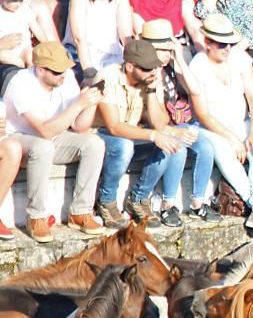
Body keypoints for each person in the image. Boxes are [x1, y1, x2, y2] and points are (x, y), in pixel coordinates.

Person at [5, 42, 104, 243]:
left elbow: (79, 126)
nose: (63, 76)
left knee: (94, 143)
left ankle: (81, 212)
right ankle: (36, 216)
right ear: (40, 70)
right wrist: (78, 104)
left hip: (54, 136)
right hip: (18, 138)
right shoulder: (21, 84)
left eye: (65, 70)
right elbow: (45, 130)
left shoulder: (65, 80)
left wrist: (91, 103)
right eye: (57, 72)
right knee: (43, 146)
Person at [185, 14, 253, 231]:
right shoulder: (198, 65)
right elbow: (203, 115)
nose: (227, 48)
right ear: (207, 43)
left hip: (242, 121)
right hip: (212, 128)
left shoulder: (239, 58)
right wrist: (233, 139)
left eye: (230, 43)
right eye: (221, 44)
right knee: (226, 156)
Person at [94, 38, 191, 229]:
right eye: (147, 68)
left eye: (154, 67)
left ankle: (138, 198)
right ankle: (106, 201)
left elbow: (159, 123)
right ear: (130, 67)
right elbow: (114, 127)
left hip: (132, 133)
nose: (153, 72)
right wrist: (154, 136)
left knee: (171, 145)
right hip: (102, 135)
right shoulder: (108, 77)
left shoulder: (152, 78)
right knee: (125, 146)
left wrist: (152, 92)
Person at [140, 19, 220, 223]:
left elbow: (195, 90)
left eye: (170, 49)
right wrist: (175, 133)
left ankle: (198, 202)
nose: (168, 53)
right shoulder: (147, 71)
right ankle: (168, 204)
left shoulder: (171, 67)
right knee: (179, 148)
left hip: (177, 124)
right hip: (154, 128)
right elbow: (156, 121)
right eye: (163, 49)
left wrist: (180, 61)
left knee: (207, 148)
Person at [65, 0, 132, 74]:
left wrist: (131, 62)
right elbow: (79, 39)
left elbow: (126, 35)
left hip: (113, 55)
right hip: (81, 56)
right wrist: (89, 71)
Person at [0, 0, 52, 81]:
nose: (18, 4)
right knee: (3, 55)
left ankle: (32, 77)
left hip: (24, 47)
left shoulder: (25, 10)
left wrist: (47, 44)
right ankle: (21, 69)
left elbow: (35, 28)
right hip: (6, 50)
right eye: (13, 0)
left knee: (31, 55)